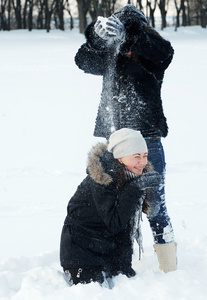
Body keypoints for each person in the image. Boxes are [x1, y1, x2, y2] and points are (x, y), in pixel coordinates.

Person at [74, 5, 177, 272]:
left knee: (154, 207)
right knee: (112, 207)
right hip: (116, 143)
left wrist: (131, 34)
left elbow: (164, 51)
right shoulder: (111, 54)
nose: (121, 39)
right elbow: (83, 61)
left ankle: (170, 269)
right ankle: (116, 263)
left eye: (127, 30)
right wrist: (98, 38)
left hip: (147, 142)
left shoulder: (152, 56)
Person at [60, 128, 168, 285]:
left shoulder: (130, 174)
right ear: (120, 157)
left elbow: (125, 228)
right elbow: (115, 222)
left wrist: (123, 267)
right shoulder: (102, 179)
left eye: (145, 156)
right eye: (136, 156)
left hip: (106, 251)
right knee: (92, 291)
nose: (142, 162)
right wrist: (135, 189)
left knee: (126, 284)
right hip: (81, 253)